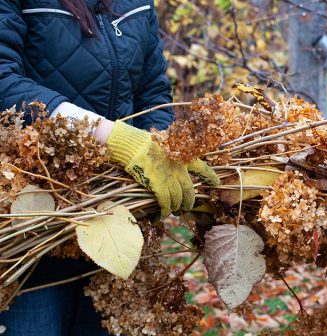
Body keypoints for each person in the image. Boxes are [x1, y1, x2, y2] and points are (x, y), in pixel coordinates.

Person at [0, 0, 217, 334]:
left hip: (114, 219)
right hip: (30, 222)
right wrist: (112, 137)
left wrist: (161, 156)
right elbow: (4, 83)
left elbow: (153, 91)